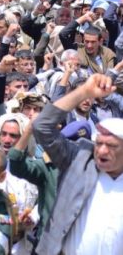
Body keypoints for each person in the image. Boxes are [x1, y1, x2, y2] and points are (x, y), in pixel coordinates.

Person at [33, 73, 123, 254]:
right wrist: (84, 92)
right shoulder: (80, 160)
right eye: (99, 143)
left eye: (111, 146)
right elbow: (42, 127)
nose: (102, 151)